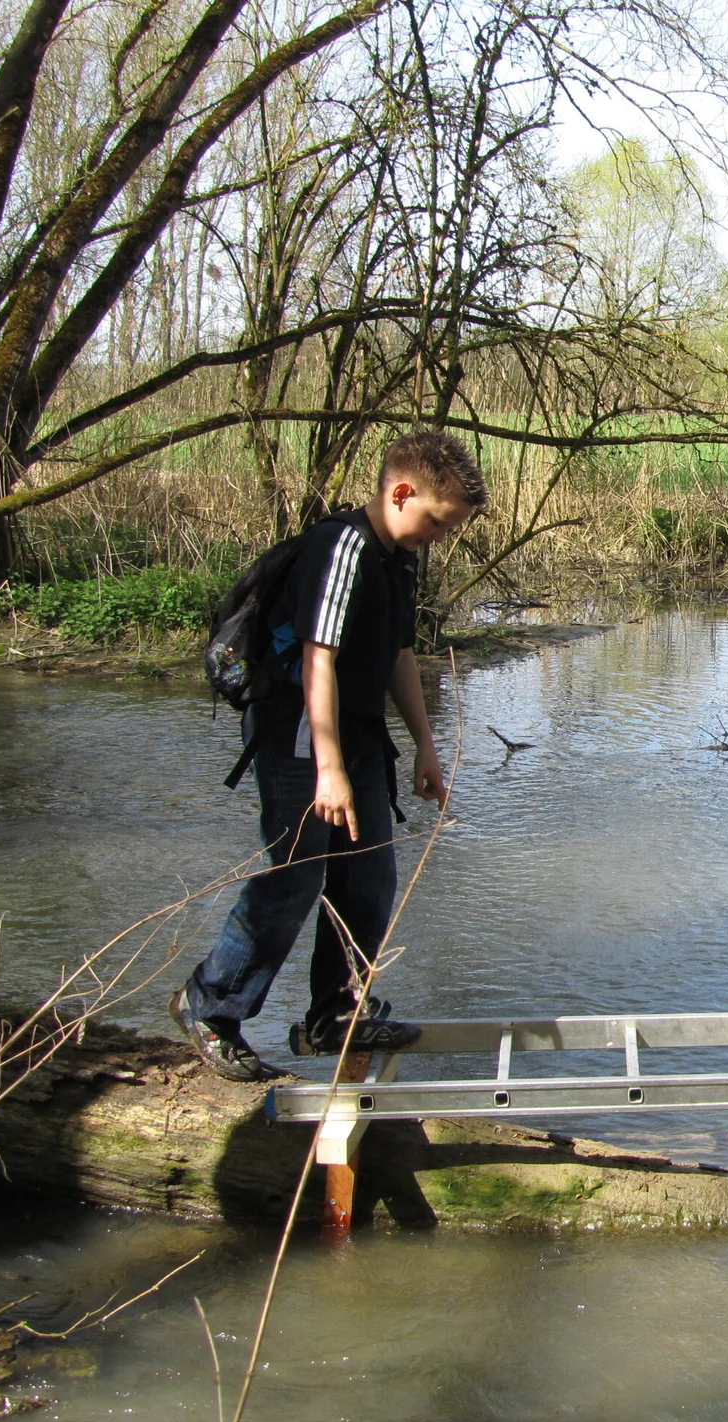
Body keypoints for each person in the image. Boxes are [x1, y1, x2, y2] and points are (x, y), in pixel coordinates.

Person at [171, 431, 484, 1079]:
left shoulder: (403, 557)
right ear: (402, 492)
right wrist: (329, 768)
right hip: (297, 731)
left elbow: (400, 654)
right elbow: (319, 659)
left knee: (369, 879)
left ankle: (335, 1016)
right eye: (435, 521)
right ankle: (210, 1006)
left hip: (361, 734)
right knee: (294, 875)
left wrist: (425, 745)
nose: (438, 537)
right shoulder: (342, 546)